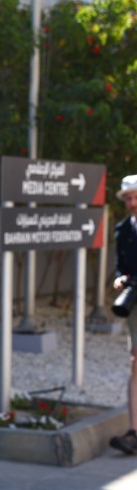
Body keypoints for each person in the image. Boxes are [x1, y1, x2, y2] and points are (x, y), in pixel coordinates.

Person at [109, 174, 137, 455]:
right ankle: (134, 431)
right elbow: (120, 265)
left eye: (135, 196)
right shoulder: (123, 229)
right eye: (128, 198)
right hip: (134, 300)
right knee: (135, 361)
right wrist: (121, 279)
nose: (131, 202)